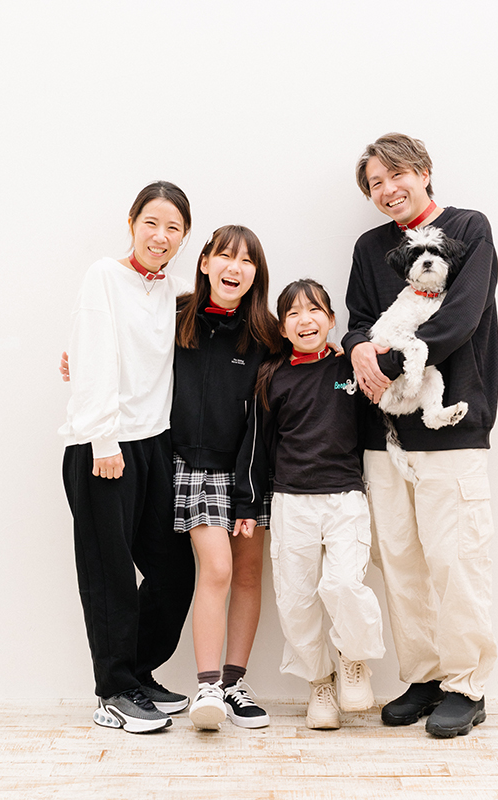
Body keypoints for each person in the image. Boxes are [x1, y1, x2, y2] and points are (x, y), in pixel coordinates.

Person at [342, 133, 498, 738]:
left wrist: (380, 363)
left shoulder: (469, 229)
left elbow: (461, 316)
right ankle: (425, 676)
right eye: (375, 184)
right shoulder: (369, 248)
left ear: (424, 171)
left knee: (456, 558)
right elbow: (358, 320)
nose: (387, 190)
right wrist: (357, 348)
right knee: (400, 560)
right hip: (383, 431)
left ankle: (465, 684)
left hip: (451, 423)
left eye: (396, 175)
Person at [60, 182, 196, 734]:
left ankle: (137, 672)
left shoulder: (174, 291)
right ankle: (113, 692)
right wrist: (103, 440)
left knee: (174, 568)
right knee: (110, 573)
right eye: (151, 223)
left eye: (173, 228)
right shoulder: (103, 275)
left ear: (184, 238)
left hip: (155, 442)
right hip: (104, 447)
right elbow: (91, 354)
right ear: (133, 223)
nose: (160, 236)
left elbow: (225, 306)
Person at [236, 279, 385, 730]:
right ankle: (320, 683)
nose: (306, 320)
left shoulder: (348, 369)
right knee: (296, 599)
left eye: (315, 310)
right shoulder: (273, 377)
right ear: (282, 328)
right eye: (294, 314)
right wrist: (248, 504)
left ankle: (353, 660)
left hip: (345, 497)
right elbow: (257, 446)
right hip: (291, 501)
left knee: (342, 584)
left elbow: (374, 425)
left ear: (332, 320)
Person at [171, 225, 282, 731]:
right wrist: (81, 362)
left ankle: (234, 684)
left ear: (256, 274)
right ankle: (208, 687)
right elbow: (123, 346)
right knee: (217, 569)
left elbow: (300, 380)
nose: (234, 268)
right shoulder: (175, 316)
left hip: (250, 470)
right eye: (224, 256)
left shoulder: (267, 335)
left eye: (247, 261)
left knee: (249, 574)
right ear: (205, 263)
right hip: (195, 466)